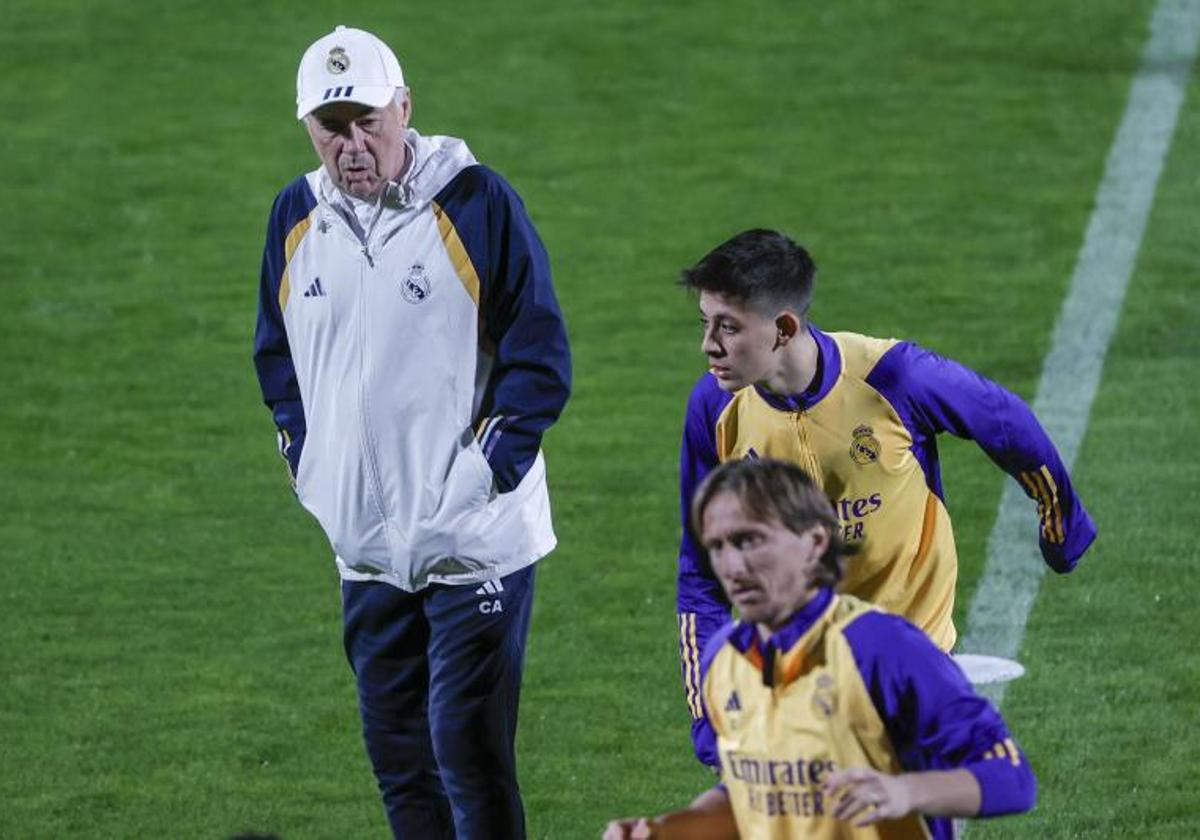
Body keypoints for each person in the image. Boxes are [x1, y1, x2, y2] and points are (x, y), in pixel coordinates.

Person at [252, 25, 571, 839]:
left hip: (474, 544)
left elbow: (540, 359)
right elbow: (276, 358)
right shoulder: (295, 217)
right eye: (332, 126)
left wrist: (476, 483)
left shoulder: (474, 201)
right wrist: (309, 465)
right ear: (306, 128)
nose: (352, 145)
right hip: (363, 548)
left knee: (466, 753)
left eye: (368, 121)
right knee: (399, 762)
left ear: (405, 110)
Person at [675, 229, 1095, 767]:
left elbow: (1006, 422)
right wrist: (707, 708)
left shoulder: (893, 377)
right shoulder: (714, 410)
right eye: (705, 323)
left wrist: (1061, 524)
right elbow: (701, 569)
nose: (708, 345)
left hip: (910, 658)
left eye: (728, 327)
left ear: (783, 328)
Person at [608, 458, 1037, 839]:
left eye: (749, 541)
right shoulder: (723, 659)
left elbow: (1011, 777)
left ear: (814, 542)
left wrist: (905, 792)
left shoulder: (882, 647)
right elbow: (750, 798)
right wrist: (663, 831)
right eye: (717, 546)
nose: (732, 567)